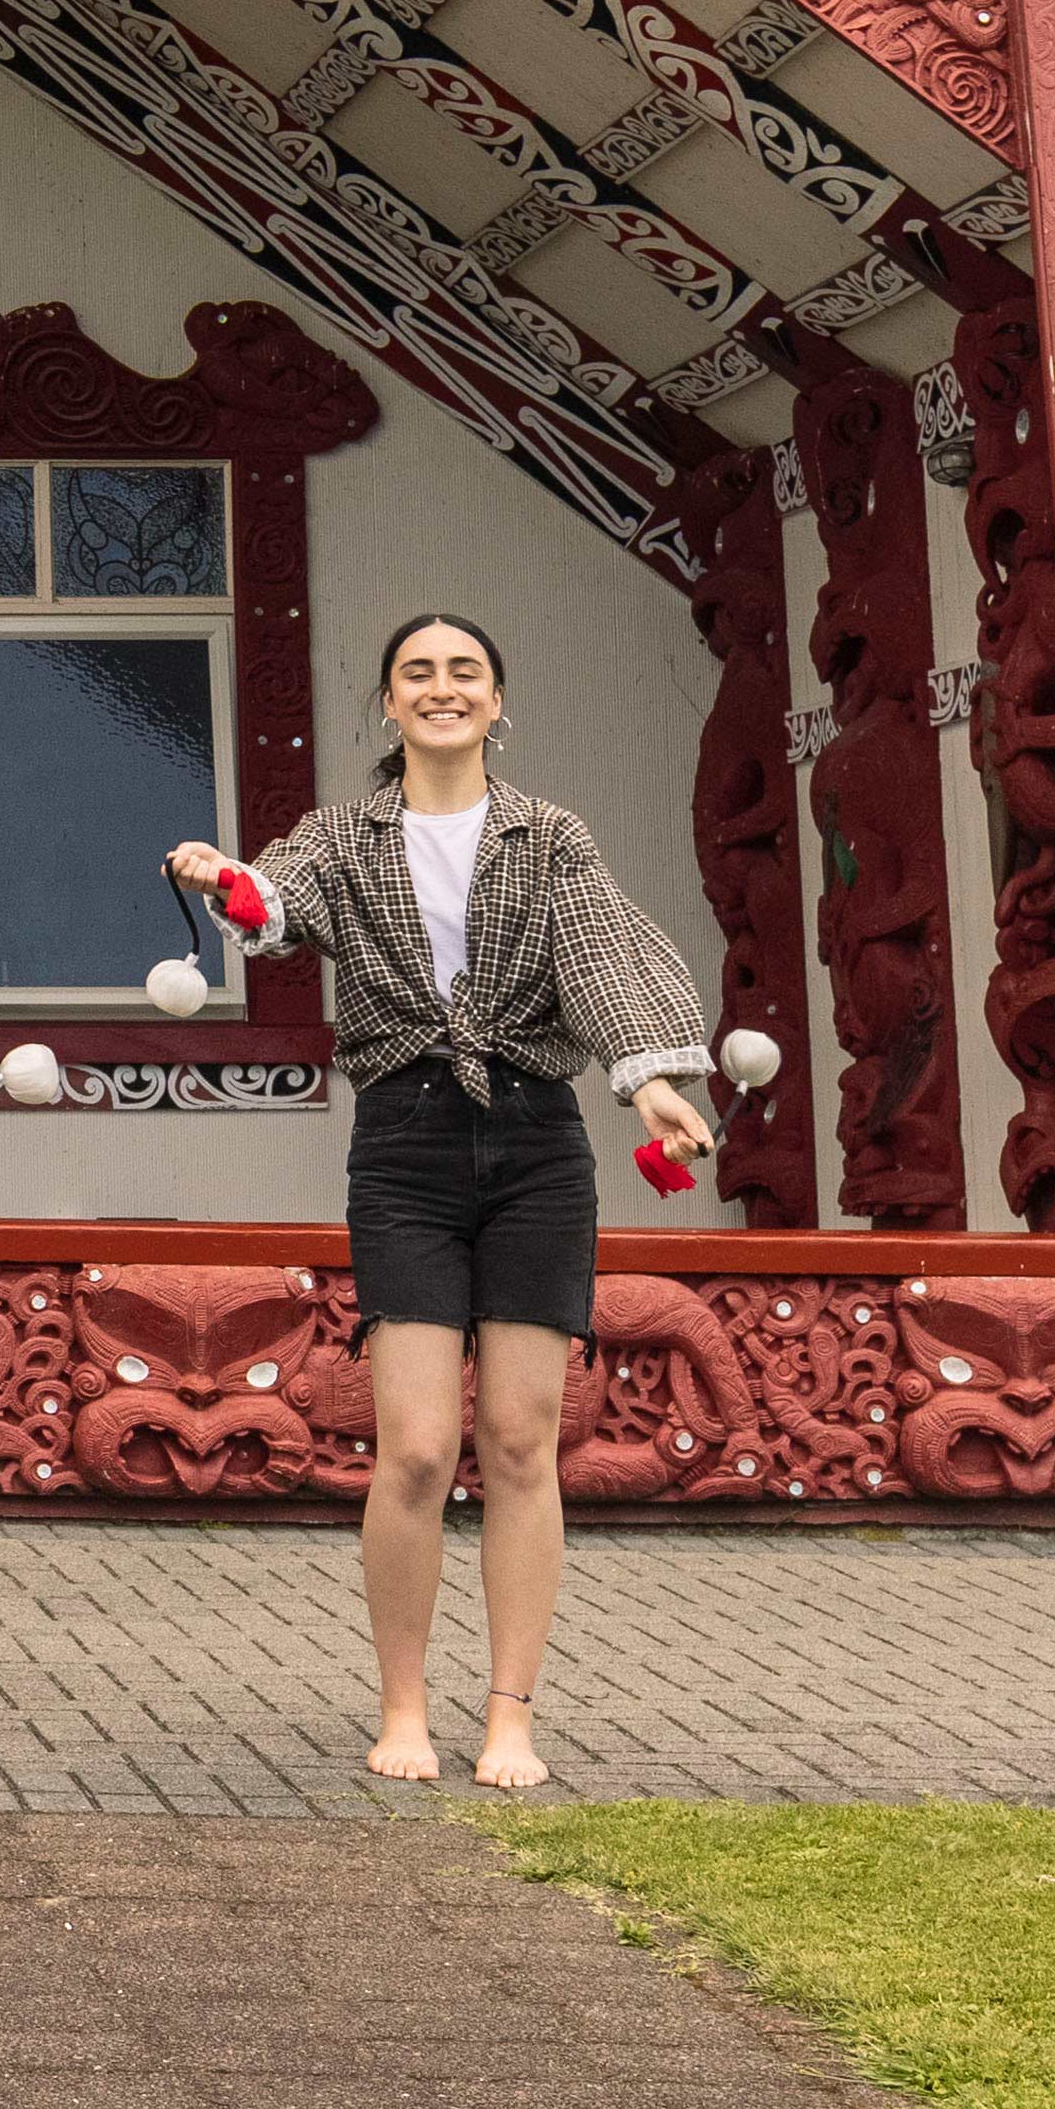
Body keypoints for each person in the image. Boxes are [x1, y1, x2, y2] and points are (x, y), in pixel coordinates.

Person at [184, 611, 721, 1792]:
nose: (440, 688)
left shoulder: (547, 836)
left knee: (523, 1444)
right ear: (387, 702)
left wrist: (647, 1084)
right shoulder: (343, 834)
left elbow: (594, 958)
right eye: (417, 673)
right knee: (418, 1450)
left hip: (535, 1145)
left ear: (495, 700)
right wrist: (222, 880)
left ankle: (511, 1716)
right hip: (404, 1147)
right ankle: (402, 1706)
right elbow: (277, 907)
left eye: (462, 672)